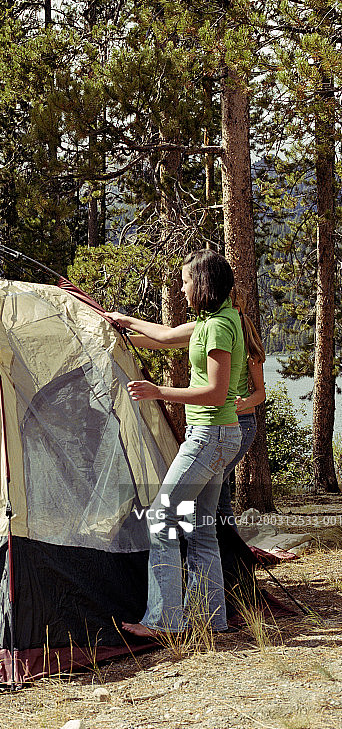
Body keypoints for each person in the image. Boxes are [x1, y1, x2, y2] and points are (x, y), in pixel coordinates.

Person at [103, 249, 244, 637]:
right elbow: (165, 338)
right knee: (201, 528)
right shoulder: (215, 320)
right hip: (218, 437)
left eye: (185, 282)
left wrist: (158, 391)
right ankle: (212, 620)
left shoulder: (217, 328)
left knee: (161, 519)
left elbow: (216, 393)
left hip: (210, 436)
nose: (181, 290)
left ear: (202, 284)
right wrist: (123, 322)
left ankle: (165, 621)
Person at [216, 288, 266, 526]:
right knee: (221, 490)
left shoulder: (248, 348)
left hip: (243, 424)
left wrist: (245, 402)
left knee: (214, 484)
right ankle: (229, 542)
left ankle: (219, 541)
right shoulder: (220, 337)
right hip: (222, 423)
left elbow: (261, 393)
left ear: (238, 309)